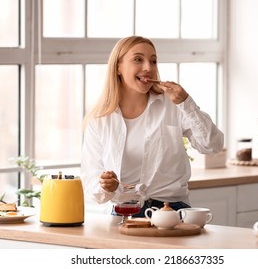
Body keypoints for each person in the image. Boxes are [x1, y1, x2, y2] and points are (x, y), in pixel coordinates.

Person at [81, 36, 224, 217]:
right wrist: (105, 185)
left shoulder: (173, 105)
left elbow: (212, 145)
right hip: (124, 215)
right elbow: (92, 182)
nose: (148, 67)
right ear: (118, 67)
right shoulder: (99, 120)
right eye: (138, 59)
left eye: (153, 61)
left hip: (173, 214)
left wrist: (187, 103)